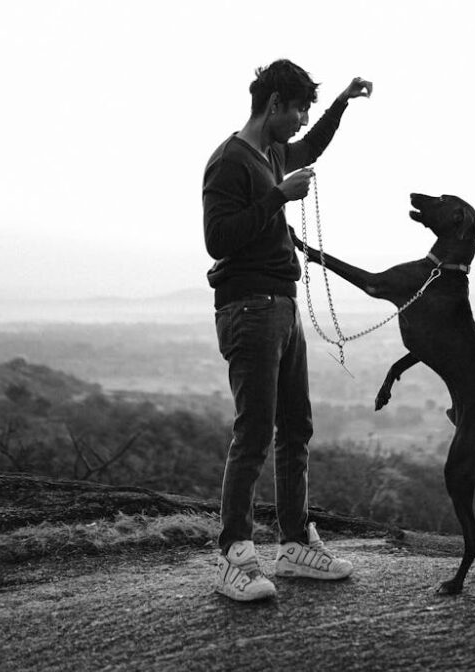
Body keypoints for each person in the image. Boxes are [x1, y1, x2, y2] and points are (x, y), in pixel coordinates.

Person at [202, 59, 372, 602]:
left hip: (282, 304)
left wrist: (341, 103)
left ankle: (295, 544)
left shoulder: (273, 152)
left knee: (295, 426)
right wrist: (279, 197)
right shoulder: (229, 161)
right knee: (254, 432)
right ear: (274, 104)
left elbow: (309, 149)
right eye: (298, 108)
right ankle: (234, 555)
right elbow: (218, 238)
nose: (302, 119)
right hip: (248, 308)